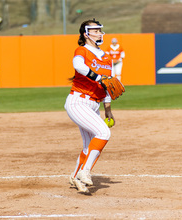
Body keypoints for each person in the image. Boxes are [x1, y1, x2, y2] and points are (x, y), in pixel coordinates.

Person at [64, 19, 114, 193]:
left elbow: (110, 84)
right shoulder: (82, 50)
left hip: (94, 105)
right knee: (103, 132)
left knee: (88, 146)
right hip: (78, 101)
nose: (99, 33)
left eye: (100, 30)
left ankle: (76, 175)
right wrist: (98, 77)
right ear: (86, 34)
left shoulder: (107, 57)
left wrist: (108, 109)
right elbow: (78, 66)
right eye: (95, 30)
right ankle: (85, 172)